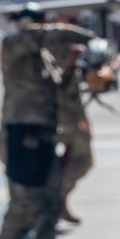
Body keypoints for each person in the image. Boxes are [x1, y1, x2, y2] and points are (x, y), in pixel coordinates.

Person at [0, 5, 90, 239]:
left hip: (46, 134)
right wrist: (86, 34)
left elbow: (58, 88)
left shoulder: (44, 56)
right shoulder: (13, 45)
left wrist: (72, 63)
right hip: (22, 136)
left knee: (50, 201)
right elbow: (40, 36)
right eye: (40, 22)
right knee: (22, 204)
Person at [51, 19, 96, 226]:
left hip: (71, 118)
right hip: (66, 120)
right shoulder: (56, 53)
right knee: (82, 160)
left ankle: (59, 201)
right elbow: (62, 87)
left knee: (76, 162)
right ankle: (56, 199)